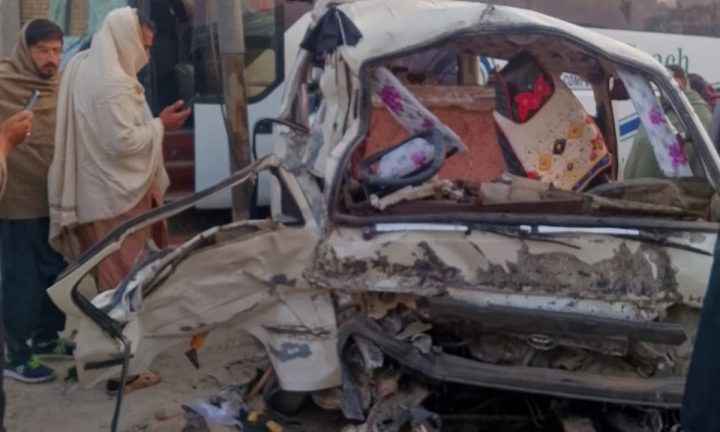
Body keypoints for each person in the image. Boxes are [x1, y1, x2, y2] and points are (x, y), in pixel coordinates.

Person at [49, 8, 189, 393]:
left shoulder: (82, 65)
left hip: (93, 197)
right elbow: (122, 143)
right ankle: (120, 373)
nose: (146, 55)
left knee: (108, 281)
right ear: (126, 40)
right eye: (144, 46)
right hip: (115, 199)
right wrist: (161, 125)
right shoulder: (112, 82)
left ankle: (105, 359)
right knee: (121, 285)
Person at [0, 19, 70, 384]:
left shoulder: (61, 85)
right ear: (25, 51)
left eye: (56, 50)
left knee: (52, 272)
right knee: (21, 281)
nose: (51, 58)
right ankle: (15, 354)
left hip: (53, 198)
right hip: (15, 202)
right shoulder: (4, 83)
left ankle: (45, 337)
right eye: (42, 50)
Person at [0, 110, 33, 428]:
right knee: (21, 279)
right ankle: (18, 354)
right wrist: (5, 140)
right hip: (16, 209)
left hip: (33, 203)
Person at [624, 65, 712, 179]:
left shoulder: (699, 112)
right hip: (642, 185)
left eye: (672, 79)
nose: (667, 85)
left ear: (683, 80)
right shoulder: (655, 110)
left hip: (681, 186)